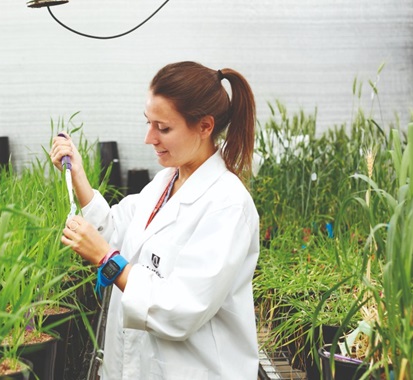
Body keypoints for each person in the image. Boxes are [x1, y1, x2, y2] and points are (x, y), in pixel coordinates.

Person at [50, 61, 260, 379]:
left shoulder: (227, 205)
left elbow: (181, 309)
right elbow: (115, 229)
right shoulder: (164, 183)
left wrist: (106, 259)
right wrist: (78, 175)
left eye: (163, 128)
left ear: (205, 126)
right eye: (148, 123)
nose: (150, 138)